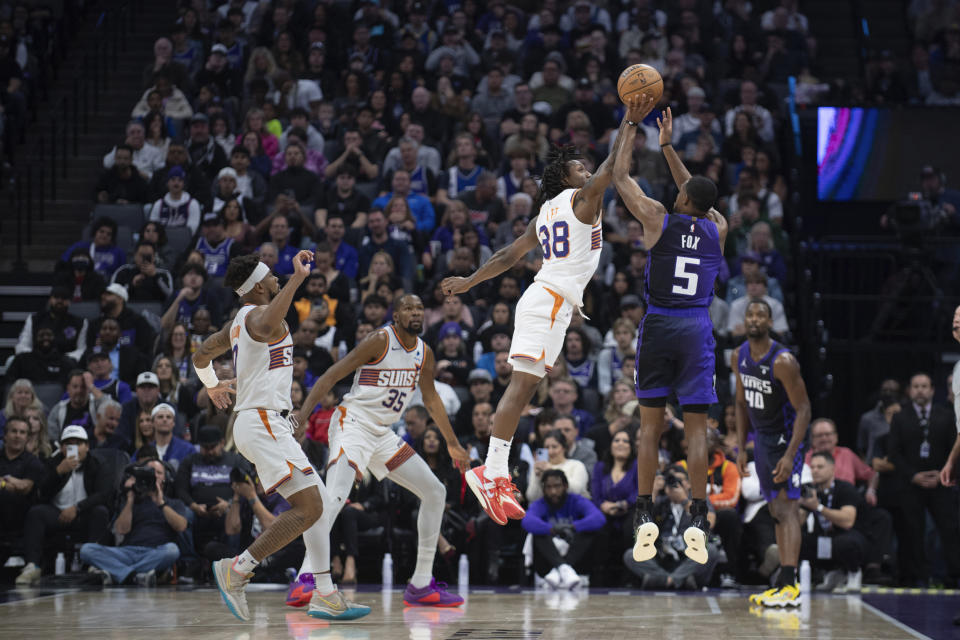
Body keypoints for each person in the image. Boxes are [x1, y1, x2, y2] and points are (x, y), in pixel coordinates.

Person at [441, 102, 642, 527]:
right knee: (521, 386)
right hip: (549, 300)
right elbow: (612, 169)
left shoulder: (544, 213)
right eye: (580, 169)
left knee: (526, 388)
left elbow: (506, 256)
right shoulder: (581, 200)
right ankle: (492, 471)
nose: (588, 173)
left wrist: (469, 282)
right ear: (566, 179)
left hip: (545, 300)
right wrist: (629, 120)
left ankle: (494, 469)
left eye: (587, 169)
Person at [290, 294, 469, 612]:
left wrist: (452, 442)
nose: (415, 313)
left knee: (435, 492)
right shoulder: (380, 340)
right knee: (334, 498)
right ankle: (306, 576)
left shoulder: (424, 353)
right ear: (396, 314)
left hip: (382, 435)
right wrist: (302, 417)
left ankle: (421, 584)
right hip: (353, 424)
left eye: (419, 308)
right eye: (408, 308)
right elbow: (331, 376)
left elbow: (431, 400)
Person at [611, 96, 728, 567]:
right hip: (698, 326)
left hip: (659, 322)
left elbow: (619, 176)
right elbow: (699, 195)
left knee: (649, 428)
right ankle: (698, 516)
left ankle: (644, 514)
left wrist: (632, 125)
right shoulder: (717, 226)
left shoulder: (658, 217)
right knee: (696, 428)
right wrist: (670, 150)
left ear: (682, 201)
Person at [191, 252, 337, 622]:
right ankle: (237, 570)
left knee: (317, 506)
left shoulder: (236, 323)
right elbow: (271, 318)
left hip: (264, 422)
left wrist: (212, 385)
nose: (278, 277)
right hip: (262, 421)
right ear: (258, 285)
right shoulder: (258, 317)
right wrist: (298, 278)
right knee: (310, 508)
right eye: (272, 275)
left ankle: (325, 593)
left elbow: (200, 355)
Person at [732, 298, 811, 607]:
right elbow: (739, 403)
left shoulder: (783, 361)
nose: (754, 319)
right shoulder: (738, 356)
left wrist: (791, 454)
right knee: (776, 510)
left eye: (760, 315)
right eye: (749, 314)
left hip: (785, 437)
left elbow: (804, 409)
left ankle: (790, 585)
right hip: (762, 440)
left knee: (788, 509)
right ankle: (783, 583)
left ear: (770, 322)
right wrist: (741, 447)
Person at [888, 372, 960, 587]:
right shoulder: (900, 417)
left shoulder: (946, 415)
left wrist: (943, 472)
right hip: (912, 483)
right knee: (912, 530)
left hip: (942, 481)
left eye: (924, 386)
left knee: (950, 528)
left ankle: (953, 576)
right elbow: (894, 453)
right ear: (910, 390)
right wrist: (913, 475)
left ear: (932, 390)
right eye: (916, 386)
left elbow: (954, 449)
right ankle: (918, 576)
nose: (920, 390)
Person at [17, 426, 112, 585]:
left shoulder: (98, 464)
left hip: (83, 513)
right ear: (61, 448)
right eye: (68, 444)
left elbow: (103, 495)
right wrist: (58, 472)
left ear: (87, 446)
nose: (73, 448)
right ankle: (32, 565)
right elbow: (40, 494)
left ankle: (95, 564)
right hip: (57, 513)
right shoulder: (52, 463)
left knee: (101, 512)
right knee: (36, 513)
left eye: (78, 444)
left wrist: (77, 508)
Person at [79, 458, 188, 586]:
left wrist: (160, 503)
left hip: (155, 553)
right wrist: (130, 498)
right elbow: (121, 530)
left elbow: (181, 526)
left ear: (166, 478)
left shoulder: (174, 503)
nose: (154, 475)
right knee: (87, 550)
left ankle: (119, 573)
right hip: (126, 552)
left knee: (172, 550)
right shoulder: (131, 502)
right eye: (150, 472)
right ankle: (136, 576)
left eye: (158, 472)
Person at [622, 465, 720, 590]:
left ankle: (663, 580)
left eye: (679, 481)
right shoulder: (661, 503)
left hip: (689, 556)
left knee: (710, 549)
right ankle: (677, 580)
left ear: (689, 484)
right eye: (671, 482)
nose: (675, 485)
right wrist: (653, 492)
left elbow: (710, 522)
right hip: (663, 557)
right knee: (631, 554)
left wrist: (684, 501)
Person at [522, 469, 605, 589]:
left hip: (574, 551)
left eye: (557, 486)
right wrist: (553, 529)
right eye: (548, 487)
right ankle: (564, 569)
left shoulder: (576, 500)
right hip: (548, 555)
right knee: (537, 533)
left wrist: (573, 527)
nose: (553, 491)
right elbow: (527, 521)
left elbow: (599, 518)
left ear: (565, 486)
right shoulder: (540, 503)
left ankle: (559, 570)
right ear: (543, 489)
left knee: (589, 532)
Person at [798, 451, 870, 591]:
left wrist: (817, 507)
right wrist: (798, 503)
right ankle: (832, 573)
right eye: (812, 467)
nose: (815, 471)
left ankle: (853, 572)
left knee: (845, 542)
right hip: (825, 537)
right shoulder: (811, 491)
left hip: (852, 538)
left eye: (820, 467)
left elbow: (847, 521)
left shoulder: (845, 488)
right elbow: (798, 523)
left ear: (832, 469)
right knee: (799, 541)